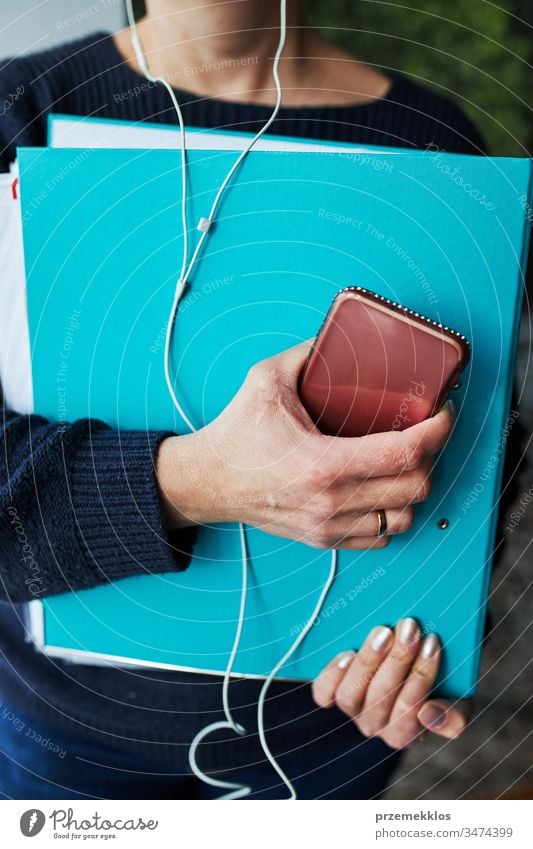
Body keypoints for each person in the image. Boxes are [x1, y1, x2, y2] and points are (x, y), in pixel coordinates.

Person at [0, 0, 501, 800]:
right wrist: (199, 478)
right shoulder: (19, 112)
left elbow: (480, 464)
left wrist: (424, 648)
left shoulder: (432, 141)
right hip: (62, 733)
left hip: (324, 731)